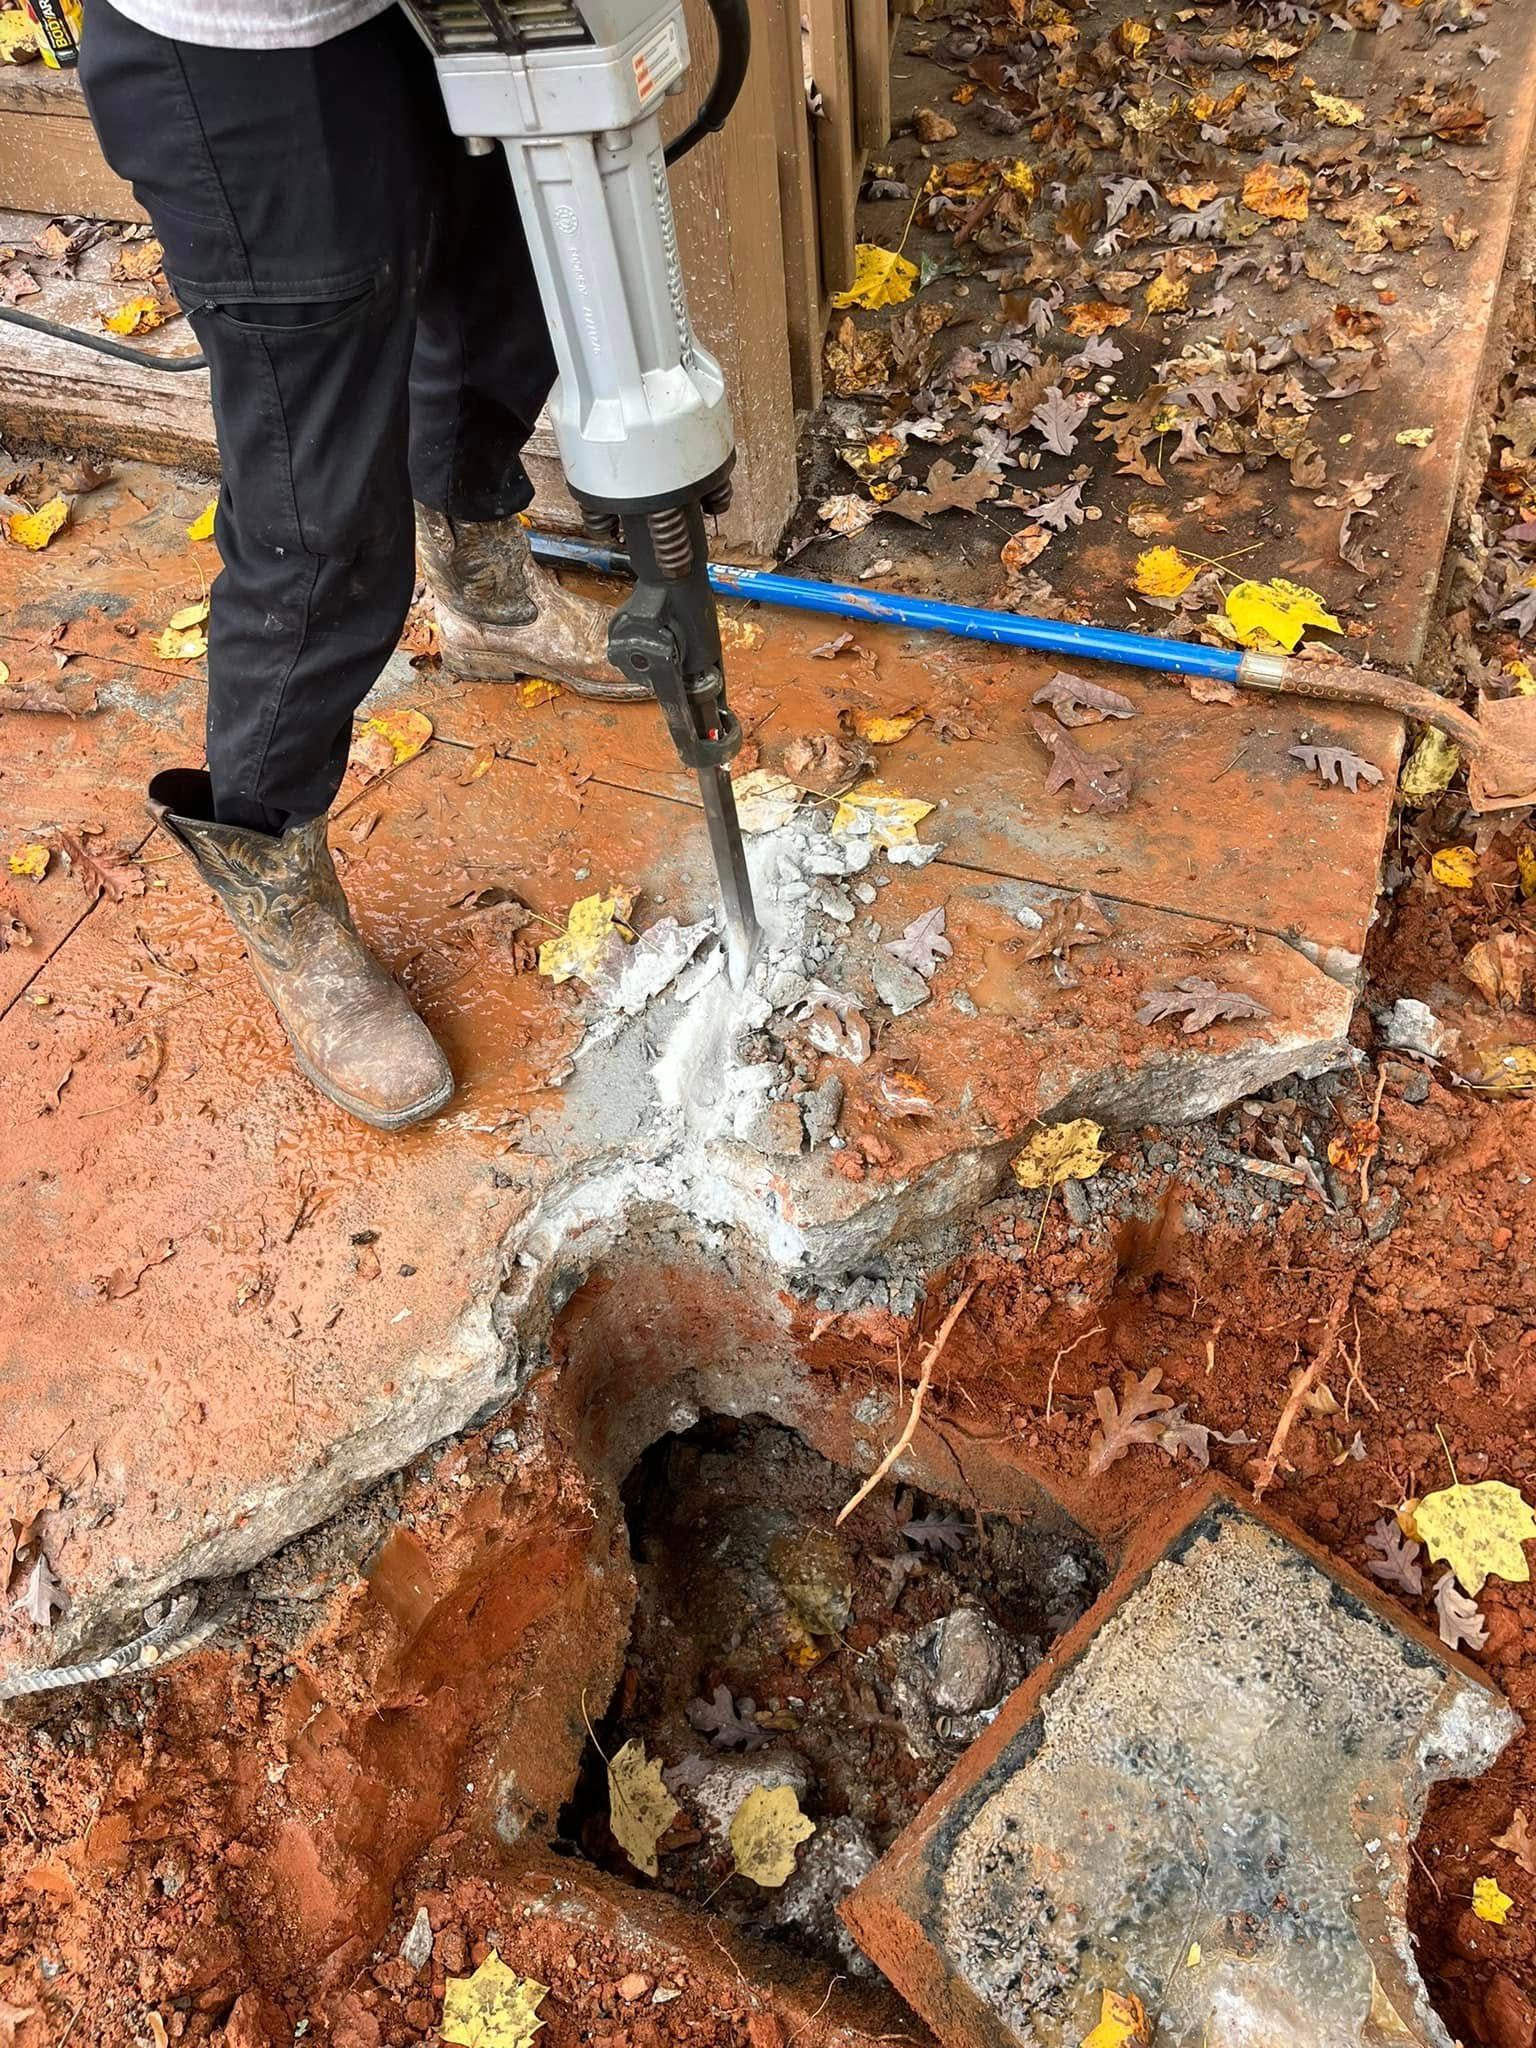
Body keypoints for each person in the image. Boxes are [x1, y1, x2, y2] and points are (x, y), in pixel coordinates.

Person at [79, 0, 645, 1130]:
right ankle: (279, 885)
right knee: (320, 517)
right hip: (253, 47)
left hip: (441, 17)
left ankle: (487, 600)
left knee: (506, 299)